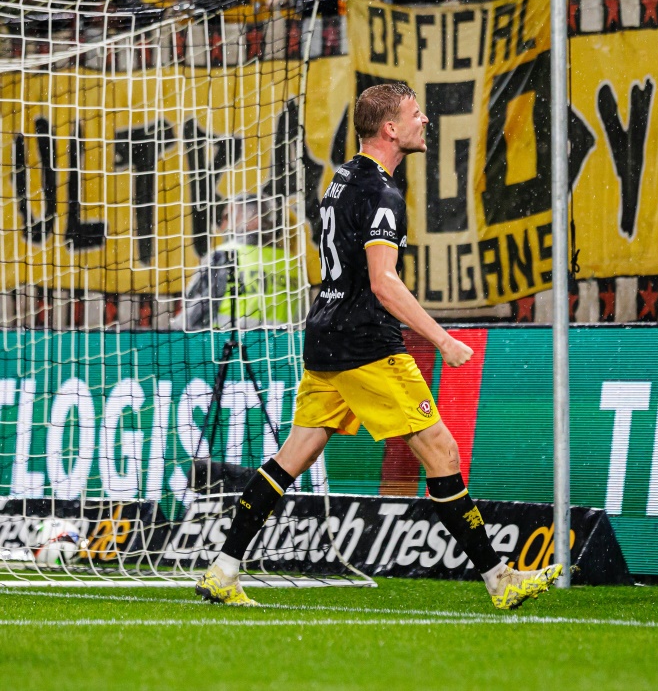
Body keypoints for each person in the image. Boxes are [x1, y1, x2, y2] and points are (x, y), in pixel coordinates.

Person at [195, 83, 562, 609]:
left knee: (294, 453)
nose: (425, 121)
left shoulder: (341, 180)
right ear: (390, 128)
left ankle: (222, 570)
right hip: (366, 345)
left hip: (326, 333)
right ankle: (501, 581)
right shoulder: (384, 194)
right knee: (441, 450)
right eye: (416, 114)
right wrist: (442, 339)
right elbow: (384, 281)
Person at [170, 192, 303, 331]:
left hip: (230, 346)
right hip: (280, 348)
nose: (224, 225)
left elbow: (194, 314)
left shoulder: (224, 256)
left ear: (255, 219)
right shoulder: (292, 263)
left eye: (229, 216)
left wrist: (169, 334)